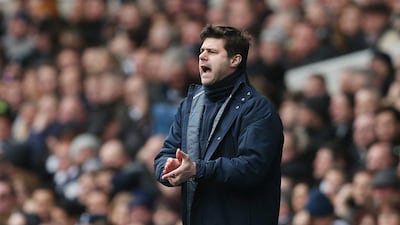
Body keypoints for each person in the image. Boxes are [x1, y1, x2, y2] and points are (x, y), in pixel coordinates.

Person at [154, 25, 284, 225]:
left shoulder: (257, 109)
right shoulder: (189, 105)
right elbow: (165, 154)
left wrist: (198, 169)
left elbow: (252, 167)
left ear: (235, 60)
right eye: (201, 51)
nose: (202, 57)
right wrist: (170, 168)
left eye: (212, 52)